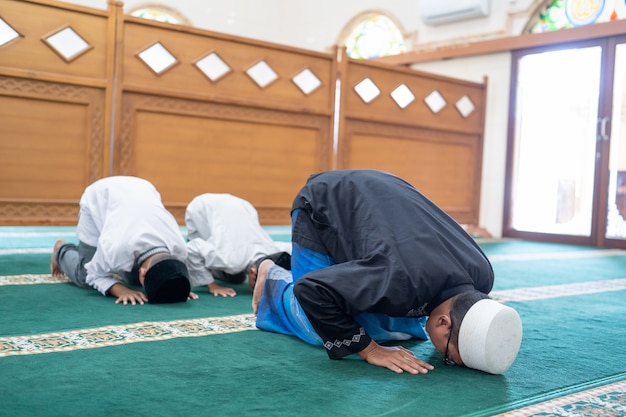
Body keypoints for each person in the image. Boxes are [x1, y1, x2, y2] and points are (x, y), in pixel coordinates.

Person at [252, 170, 522, 375]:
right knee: (317, 327)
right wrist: (370, 351)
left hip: (381, 196)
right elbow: (312, 289)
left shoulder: (483, 276)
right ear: (444, 323)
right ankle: (275, 274)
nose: (441, 356)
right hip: (323, 202)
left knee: (402, 326)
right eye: (448, 356)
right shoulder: (400, 281)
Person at [50, 176, 197, 305]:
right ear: (143, 272)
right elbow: (93, 274)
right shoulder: (117, 247)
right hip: (98, 196)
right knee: (83, 275)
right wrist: (120, 290)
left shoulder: (180, 249)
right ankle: (61, 251)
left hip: (142, 189)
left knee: (134, 279)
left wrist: (176, 286)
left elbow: (173, 271)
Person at [185, 193, 292, 297]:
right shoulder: (230, 260)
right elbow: (192, 249)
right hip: (202, 207)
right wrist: (212, 285)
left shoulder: (274, 251)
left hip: (242, 205)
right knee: (205, 255)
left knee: (237, 278)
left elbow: (292, 249)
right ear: (252, 271)